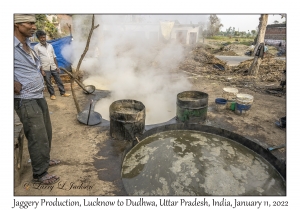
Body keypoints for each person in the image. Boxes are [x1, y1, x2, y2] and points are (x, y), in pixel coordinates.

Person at [14, 14, 60, 185]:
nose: (34, 26)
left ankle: (44, 160)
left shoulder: (26, 45)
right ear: (16, 24)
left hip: (38, 95)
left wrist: (39, 71)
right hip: (25, 99)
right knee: (37, 135)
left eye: (34, 23)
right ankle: (39, 174)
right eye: (30, 23)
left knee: (46, 132)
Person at [34, 30, 70, 100]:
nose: (43, 39)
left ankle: (63, 93)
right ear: (38, 38)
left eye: (44, 37)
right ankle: (52, 94)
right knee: (48, 82)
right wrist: (41, 70)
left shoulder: (50, 46)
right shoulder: (36, 47)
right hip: (45, 68)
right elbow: (37, 60)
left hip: (53, 66)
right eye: (41, 38)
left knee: (58, 80)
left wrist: (57, 67)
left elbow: (54, 56)